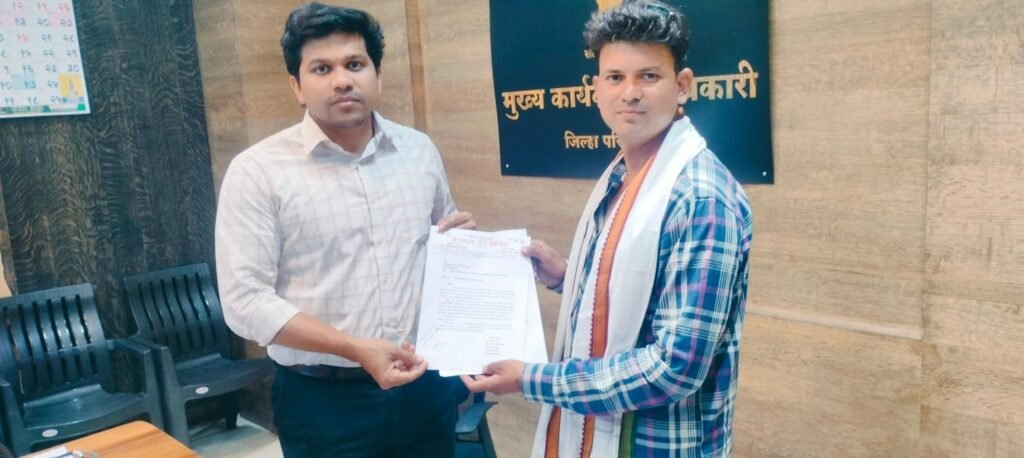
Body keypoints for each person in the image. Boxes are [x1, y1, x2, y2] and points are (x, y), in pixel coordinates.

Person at [462, 1, 753, 456]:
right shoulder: (623, 175)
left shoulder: (699, 198)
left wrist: (531, 379)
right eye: (615, 77)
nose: (630, 93)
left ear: (682, 86)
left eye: (648, 76)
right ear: (596, 88)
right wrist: (566, 276)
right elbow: (639, 298)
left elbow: (674, 368)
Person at [214, 3, 474, 457]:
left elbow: (440, 247)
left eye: (355, 64)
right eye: (322, 68)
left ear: (378, 74)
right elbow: (245, 302)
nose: (342, 80)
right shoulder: (258, 172)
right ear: (297, 86)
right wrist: (355, 349)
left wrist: (462, 246)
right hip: (324, 402)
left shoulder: (419, 151)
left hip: (424, 387)